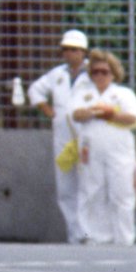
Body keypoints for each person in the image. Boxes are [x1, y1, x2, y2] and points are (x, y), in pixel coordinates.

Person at [70, 50, 136, 245]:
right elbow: (76, 114)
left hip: (119, 149)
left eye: (105, 72)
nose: (100, 76)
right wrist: (94, 111)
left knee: (121, 192)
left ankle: (124, 239)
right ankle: (92, 237)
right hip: (91, 148)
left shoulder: (123, 94)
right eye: (95, 72)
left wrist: (110, 114)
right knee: (91, 191)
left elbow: (133, 117)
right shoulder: (84, 93)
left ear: (113, 73)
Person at [27, 29, 94, 243]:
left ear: (83, 52)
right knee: (66, 187)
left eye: (73, 49)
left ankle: (91, 234)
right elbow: (35, 90)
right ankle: (76, 236)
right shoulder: (57, 74)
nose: (69, 53)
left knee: (88, 184)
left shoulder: (94, 73)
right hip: (63, 137)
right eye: (65, 49)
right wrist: (48, 111)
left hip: (87, 135)